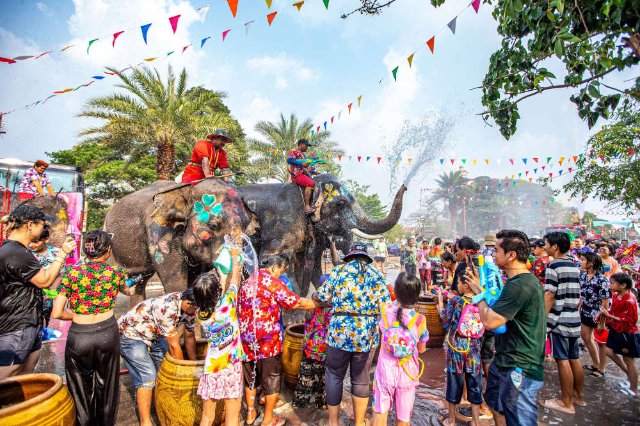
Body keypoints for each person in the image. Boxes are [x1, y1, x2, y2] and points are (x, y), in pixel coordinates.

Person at [52, 231, 135, 426]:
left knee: (79, 390)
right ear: (107, 250)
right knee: (106, 387)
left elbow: (57, 312)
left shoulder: (72, 273)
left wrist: (81, 316)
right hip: (107, 334)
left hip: (79, 337)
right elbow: (128, 290)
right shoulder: (115, 272)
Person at [464, 229, 545, 426]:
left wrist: (478, 296)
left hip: (521, 365)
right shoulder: (514, 282)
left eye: (497, 250)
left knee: (519, 417)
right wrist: (479, 289)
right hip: (505, 359)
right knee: (496, 404)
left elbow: (491, 321)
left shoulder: (521, 285)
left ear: (511, 255)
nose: (493, 254)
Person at [239, 254, 319, 426]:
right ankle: (268, 419)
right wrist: (322, 304)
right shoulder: (271, 283)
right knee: (272, 379)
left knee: (250, 377)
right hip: (268, 341)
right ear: (275, 267)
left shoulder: (247, 282)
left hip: (247, 341)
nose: (280, 274)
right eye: (282, 270)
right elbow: (296, 303)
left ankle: (250, 413)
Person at [316, 242, 390, 426]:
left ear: (349, 256)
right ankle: (359, 422)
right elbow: (387, 305)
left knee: (334, 375)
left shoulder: (339, 271)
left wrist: (315, 298)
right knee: (361, 379)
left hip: (339, 334)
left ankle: (333, 422)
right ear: (366, 257)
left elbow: (321, 296)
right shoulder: (377, 275)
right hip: (366, 335)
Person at [0, 205, 76, 379]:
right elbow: (44, 280)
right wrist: (63, 253)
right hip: (16, 325)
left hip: (30, 323)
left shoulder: (19, 250)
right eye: (42, 224)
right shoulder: (15, 252)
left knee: (24, 376)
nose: (44, 229)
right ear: (30, 225)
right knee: (7, 375)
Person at [118, 289, 197, 426]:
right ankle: (145, 421)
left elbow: (189, 336)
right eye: (195, 308)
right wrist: (183, 373)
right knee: (147, 376)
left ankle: (162, 403)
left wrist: (195, 366)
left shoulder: (191, 308)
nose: (197, 311)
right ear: (187, 303)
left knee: (165, 367)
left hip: (154, 333)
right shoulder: (167, 308)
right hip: (130, 334)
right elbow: (174, 345)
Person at [193, 248, 243, 426]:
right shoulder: (228, 304)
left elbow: (215, 299)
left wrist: (221, 277)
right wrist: (236, 258)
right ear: (218, 292)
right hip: (231, 366)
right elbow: (235, 280)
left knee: (207, 417)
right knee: (232, 416)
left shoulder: (201, 314)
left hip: (212, 368)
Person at [373, 273, 428, 426]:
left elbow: (385, 301)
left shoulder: (385, 312)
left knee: (380, 412)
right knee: (403, 418)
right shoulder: (420, 320)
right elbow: (422, 349)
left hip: (385, 372)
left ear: (396, 293)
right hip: (408, 374)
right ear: (417, 296)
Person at [542, 231, 585, 414]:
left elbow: (550, 294)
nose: (545, 247)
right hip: (574, 318)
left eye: (546, 244)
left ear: (555, 247)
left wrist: (543, 319)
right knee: (575, 358)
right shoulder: (574, 265)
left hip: (559, 319)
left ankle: (566, 402)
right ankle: (578, 397)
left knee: (562, 360)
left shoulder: (553, 265)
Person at [437, 273, 482, 426]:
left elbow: (445, 319)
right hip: (474, 348)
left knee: (454, 381)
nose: (457, 285)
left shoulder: (456, 301)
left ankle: (451, 420)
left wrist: (439, 303)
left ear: (467, 284)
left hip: (456, 347)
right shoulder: (481, 301)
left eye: (459, 283)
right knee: (475, 382)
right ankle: (475, 421)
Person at [293, 274, 332, 409]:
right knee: (322, 378)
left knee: (306, 376)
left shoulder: (310, 305)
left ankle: (300, 403)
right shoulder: (331, 309)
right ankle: (321, 404)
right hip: (324, 350)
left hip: (309, 347)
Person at [599, 273, 640, 396]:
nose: (610, 285)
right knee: (608, 351)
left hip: (627, 333)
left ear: (623, 285)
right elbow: (613, 311)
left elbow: (631, 321)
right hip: (616, 330)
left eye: (612, 283)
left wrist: (609, 316)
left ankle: (634, 388)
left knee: (629, 360)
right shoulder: (617, 296)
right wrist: (604, 314)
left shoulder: (630, 300)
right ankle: (630, 377)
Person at [577, 252, 610, 377]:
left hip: (598, 315)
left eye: (583, 260)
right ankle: (595, 363)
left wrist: (602, 322)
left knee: (601, 343)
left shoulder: (602, 280)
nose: (581, 262)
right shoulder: (583, 276)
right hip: (586, 312)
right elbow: (581, 295)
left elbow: (605, 302)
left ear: (590, 263)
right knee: (586, 337)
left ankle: (602, 369)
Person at [28, 226, 60, 327]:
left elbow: (60, 274)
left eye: (36, 242)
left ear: (46, 239)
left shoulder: (56, 253)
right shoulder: (26, 253)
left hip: (50, 294)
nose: (32, 245)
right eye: (31, 241)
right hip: (30, 295)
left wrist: (51, 294)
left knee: (47, 321)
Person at [287, 138, 319, 214]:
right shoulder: (294, 151)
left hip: (303, 174)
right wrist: (301, 164)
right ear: (301, 144)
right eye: (306, 145)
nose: (307, 147)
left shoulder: (303, 155)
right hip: (297, 175)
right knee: (310, 183)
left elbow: (307, 168)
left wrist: (315, 172)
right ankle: (307, 206)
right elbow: (289, 160)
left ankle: (312, 204)